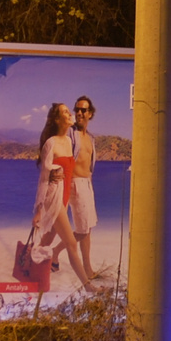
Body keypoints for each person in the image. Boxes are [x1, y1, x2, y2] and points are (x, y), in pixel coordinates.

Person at [31, 102, 93, 291]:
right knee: (71, 244)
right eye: (66, 112)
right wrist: (38, 211)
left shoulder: (68, 141)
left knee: (47, 240)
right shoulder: (51, 143)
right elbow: (43, 179)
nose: (70, 114)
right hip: (53, 198)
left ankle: (32, 272)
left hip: (65, 196)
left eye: (68, 111)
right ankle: (88, 287)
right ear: (58, 119)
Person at [68, 95, 102, 279]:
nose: (79, 113)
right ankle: (55, 255)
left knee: (87, 228)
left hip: (87, 183)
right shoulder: (69, 133)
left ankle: (87, 268)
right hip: (74, 183)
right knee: (82, 229)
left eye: (83, 110)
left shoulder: (91, 138)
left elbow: (89, 163)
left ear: (90, 114)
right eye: (77, 109)